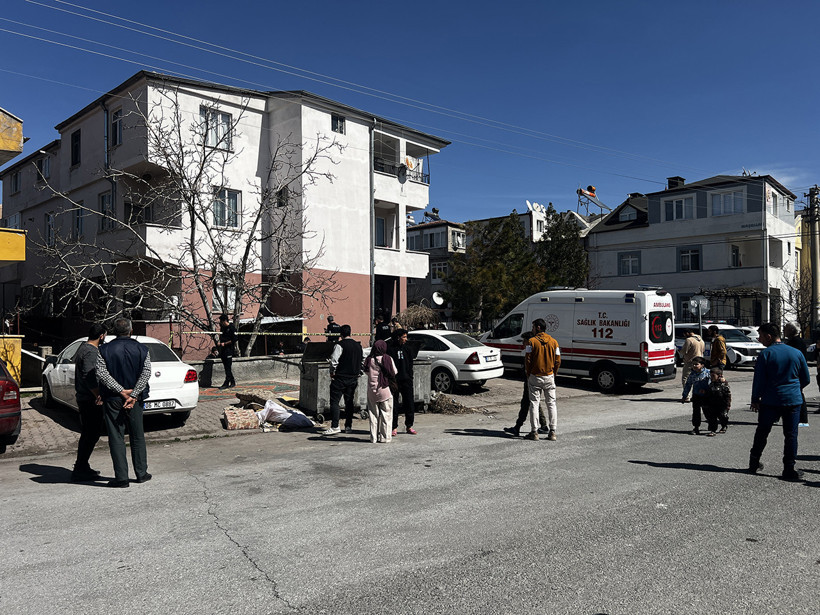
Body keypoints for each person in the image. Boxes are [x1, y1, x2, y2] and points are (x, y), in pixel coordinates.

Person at [748, 322, 810, 481]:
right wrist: (795, 388)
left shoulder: (766, 354)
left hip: (770, 400)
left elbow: (759, 380)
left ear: (769, 336)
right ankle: (789, 468)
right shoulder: (796, 353)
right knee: (791, 435)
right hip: (792, 400)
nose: (759, 339)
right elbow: (806, 378)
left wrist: (755, 399)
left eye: (761, 336)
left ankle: (754, 462)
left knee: (762, 431)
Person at [96, 317, 152, 488]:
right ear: (131, 331)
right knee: (137, 435)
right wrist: (133, 395)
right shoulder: (142, 349)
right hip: (135, 400)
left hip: (113, 399)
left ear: (113, 332)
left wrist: (121, 391)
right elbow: (146, 373)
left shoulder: (104, 349)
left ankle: (121, 477)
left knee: (116, 437)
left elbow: (102, 374)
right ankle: (141, 473)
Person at [71, 323, 107, 482]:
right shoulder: (91, 352)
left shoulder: (82, 348)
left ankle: (82, 466)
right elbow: (89, 375)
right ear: (102, 336)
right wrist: (97, 394)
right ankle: (80, 467)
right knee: (91, 433)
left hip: (83, 397)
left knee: (88, 433)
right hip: (89, 399)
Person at [504, 327, 547, 437]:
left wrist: (528, 377)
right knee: (534, 402)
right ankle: (543, 425)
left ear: (529, 341)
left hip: (531, 380)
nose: (523, 343)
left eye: (524, 340)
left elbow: (529, 366)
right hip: (537, 378)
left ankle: (519, 427)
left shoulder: (530, 350)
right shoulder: (537, 349)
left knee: (526, 403)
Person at [523, 318, 561, 441]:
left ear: (538, 327)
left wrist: (528, 373)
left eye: (533, 327)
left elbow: (528, 359)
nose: (532, 329)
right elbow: (558, 360)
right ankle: (553, 431)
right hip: (549, 376)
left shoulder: (531, 342)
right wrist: (554, 373)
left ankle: (534, 431)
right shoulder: (554, 342)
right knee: (551, 403)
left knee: (534, 403)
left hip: (535, 376)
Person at [323, 324, 363, 435]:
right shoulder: (358, 346)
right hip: (353, 379)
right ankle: (348, 426)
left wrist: (332, 372)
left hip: (340, 378)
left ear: (341, 334)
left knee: (335, 402)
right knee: (349, 403)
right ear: (350, 332)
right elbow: (363, 360)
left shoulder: (339, 345)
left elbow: (334, 361)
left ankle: (335, 426)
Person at [363, 340, 396, 443]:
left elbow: (366, 372)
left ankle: (373, 438)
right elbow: (394, 372)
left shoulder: (369, 359)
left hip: (372, 390)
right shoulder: (388, 359)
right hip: (385, 389)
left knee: (373, 415)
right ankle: (385, 437)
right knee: (386, 414)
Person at [387, 328, 418, 436]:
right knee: (394, 404)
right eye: (404, 337)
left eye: (406, 337)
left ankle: (409, 425)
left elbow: (410, 364)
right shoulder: (390, 349)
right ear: (398, 337)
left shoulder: (408, 349)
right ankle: (393, 427)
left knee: (409, 403)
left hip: (406, 380)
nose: (405, 339)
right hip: (395, 380)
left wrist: (410, 377)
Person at [783, 322, 809, 426]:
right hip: (795, 371)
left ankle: (802, 419)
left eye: (786, 328)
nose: (784, 330)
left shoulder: (796, 342)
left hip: (795, 372)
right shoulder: (793, 342)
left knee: (798, 393)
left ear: (792, 331)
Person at [681, 356, 710, 435]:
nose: (694, 366)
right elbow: (688, 385)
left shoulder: (708, 373)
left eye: (696, 364)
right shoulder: (692, 374)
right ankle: (696, 427)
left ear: (702, 365)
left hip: (706, 396)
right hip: (696, 396)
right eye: (693, 364)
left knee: (707, 412)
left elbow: (712, 385)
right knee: (696, 412)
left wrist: (707, 391)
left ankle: (712, 426)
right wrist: (684, 396)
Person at [703, 366, 731, 436]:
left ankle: (724, 425)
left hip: (722, 404)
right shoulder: (711, 384)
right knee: (712, 417)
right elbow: (708, 394)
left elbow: (728, 395)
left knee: (722, 416)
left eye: (713, 376)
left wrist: (728, 405)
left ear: (719, 376)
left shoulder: (723, 384)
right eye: (710, 376)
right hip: (712, 404)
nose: (711, 377)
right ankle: (713, 430)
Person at [680, 329, 705, 401]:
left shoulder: (689, 340)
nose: (685, 336)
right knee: (698, 379)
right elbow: (702, 350)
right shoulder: (700, 339)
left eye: (685, 335)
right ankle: (699, 395)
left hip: (690, 362)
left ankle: (686, 396)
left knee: (686, 378)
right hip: (700, 361)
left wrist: (680, 351)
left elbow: (684, 351)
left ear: (687, 333)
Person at [217, 314, 237, 388]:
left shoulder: (231, 328)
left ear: (225, 321)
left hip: (229, 349)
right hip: (223, 350)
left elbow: (234, 339)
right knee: (226, 367)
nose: (221, 323)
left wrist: (225, 343)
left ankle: (226, 382)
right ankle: (232, 381)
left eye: (221, 322)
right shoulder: (223, 328)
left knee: (228, 367)